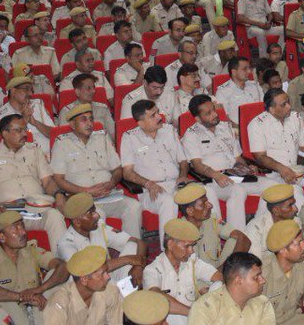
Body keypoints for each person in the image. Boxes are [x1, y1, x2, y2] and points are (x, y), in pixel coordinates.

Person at [0, 114, 68, 251]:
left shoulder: (34, 150)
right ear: (4, 133)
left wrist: (58, 193)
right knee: (4, 228)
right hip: (7, 211)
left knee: (55, 216)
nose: (24, 134)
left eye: (25, 130)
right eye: (19, 130)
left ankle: (62, 266)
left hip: (35, 207)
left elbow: (47, 181)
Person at [50, 103, 144, 240]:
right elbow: (58, 179)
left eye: (91, 119)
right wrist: (86, 191)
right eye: (83, 120)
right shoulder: (62, 143)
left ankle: (133, 250)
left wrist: (111, 183)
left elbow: (117, 169)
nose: (89, 123)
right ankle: (102, 258)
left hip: (109, 194)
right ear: (72, 124)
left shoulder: (102, 137)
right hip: (82, 199)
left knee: (134, 206)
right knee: (96, 215)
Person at [0, 211, 69, 325]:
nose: (23, 232)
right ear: (1, 237)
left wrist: (39, 290)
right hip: (11, 310)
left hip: (37, 304)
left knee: (58, 279)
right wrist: (21, 296)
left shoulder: (32, 251)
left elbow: (63, 266)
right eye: (15, 229)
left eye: (22, 226)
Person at [121, 99, 201, 227]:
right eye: (153, 116)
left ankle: (210, 239)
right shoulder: (130, 138)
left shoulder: (169, 130)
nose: (159, 117)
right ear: (141, 123)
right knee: (169, 201)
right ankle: (168, 246)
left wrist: (182, 176)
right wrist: (148, 184)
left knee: (203, 193)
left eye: (157, 112)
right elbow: (127, 173)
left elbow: (183, 161)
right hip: (150, 191)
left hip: (176, 184)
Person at [56, 192, 145, 287]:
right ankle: (124, 294)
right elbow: (91, 271)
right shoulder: (66, 244)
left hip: (108, 277)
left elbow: (139, 242)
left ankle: (126, 292)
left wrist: (138, 266)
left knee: (133, 245)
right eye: (91, 213)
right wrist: (129, 259)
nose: (97, 216)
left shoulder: (97, 226)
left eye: (94, 211)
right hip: (89, 288)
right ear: (77, 221)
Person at [142, 219, 221, 325]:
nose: (192, 251)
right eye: (187, 246)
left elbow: (218, 277)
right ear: (170, 244)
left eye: (192, 246)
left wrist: (208, 291)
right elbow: (156, 297)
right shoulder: (152, 270)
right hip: (172, 321)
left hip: (196, 319)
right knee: (169, 310)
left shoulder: (192, 260)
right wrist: (194, 312)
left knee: (219, 285)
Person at [42, 245, 124, 325]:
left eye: (106, 272)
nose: (108, 277)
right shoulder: (59, 304)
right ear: (84, 279)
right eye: (102, 274)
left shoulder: (110, 292)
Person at [186, 251, 274, 325]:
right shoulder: (205, 308)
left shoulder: (263, 303)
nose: (263, 280)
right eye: (256, 277)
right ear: (239, 280)